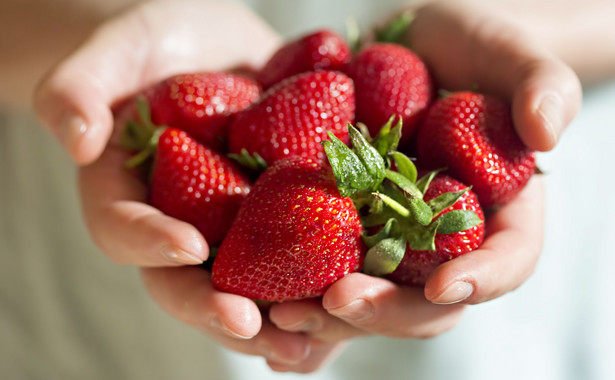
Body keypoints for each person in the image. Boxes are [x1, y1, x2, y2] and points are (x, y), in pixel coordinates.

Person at [1, 0, 613, 378]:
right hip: (95, 322)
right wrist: (100, 21)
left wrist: (514, 21)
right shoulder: (312, 176)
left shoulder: (325, 181)